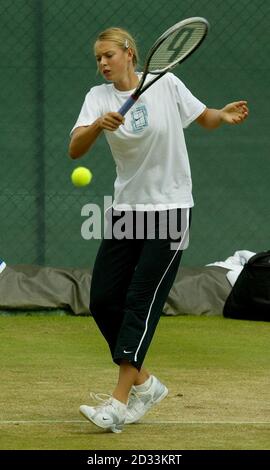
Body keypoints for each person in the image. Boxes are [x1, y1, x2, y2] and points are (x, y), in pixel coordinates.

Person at [69, 27, 249, 433]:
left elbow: (204, 118)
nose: (102, 63)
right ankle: (145, 383)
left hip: (170, 209)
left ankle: (118, 401)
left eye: (108, 55)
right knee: (102, 300)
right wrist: (99, 125)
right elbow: (75, 148)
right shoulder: (97, 98)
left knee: (140, 299)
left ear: (129, 54)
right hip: (126, 211)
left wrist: (223, 114)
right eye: (98, 58)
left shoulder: (167, 83)